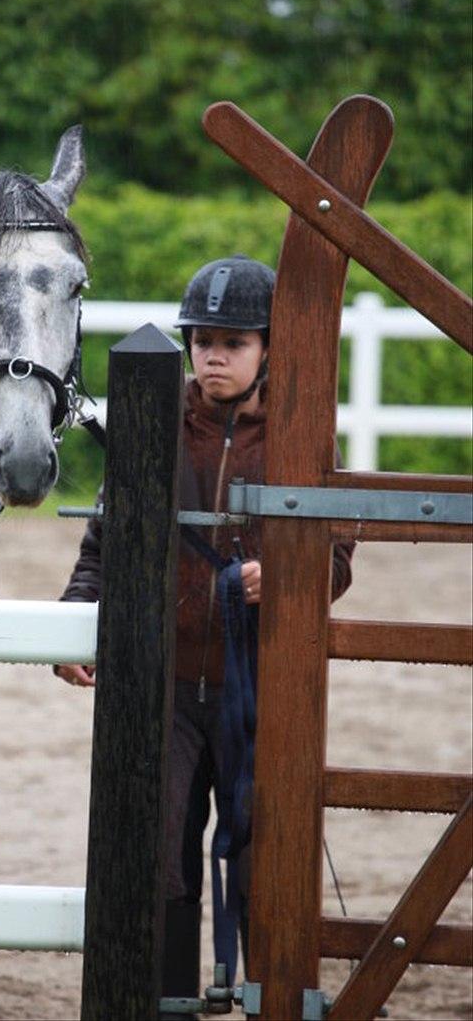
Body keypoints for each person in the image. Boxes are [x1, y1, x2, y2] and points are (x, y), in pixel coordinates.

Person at [55, 256, 355, 1012]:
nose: (214, 356)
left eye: (234, 342)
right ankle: (168, 1004)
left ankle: (267, 1000)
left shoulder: (303, 434)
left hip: (259, 688)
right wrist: (74, 619)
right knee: (157, 859)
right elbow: (103, 542)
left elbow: (339, 558)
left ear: (268, 350)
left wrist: (283, 580)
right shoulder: (153, 426)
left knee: (263, 867)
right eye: (203, 341)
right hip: (163, 689)